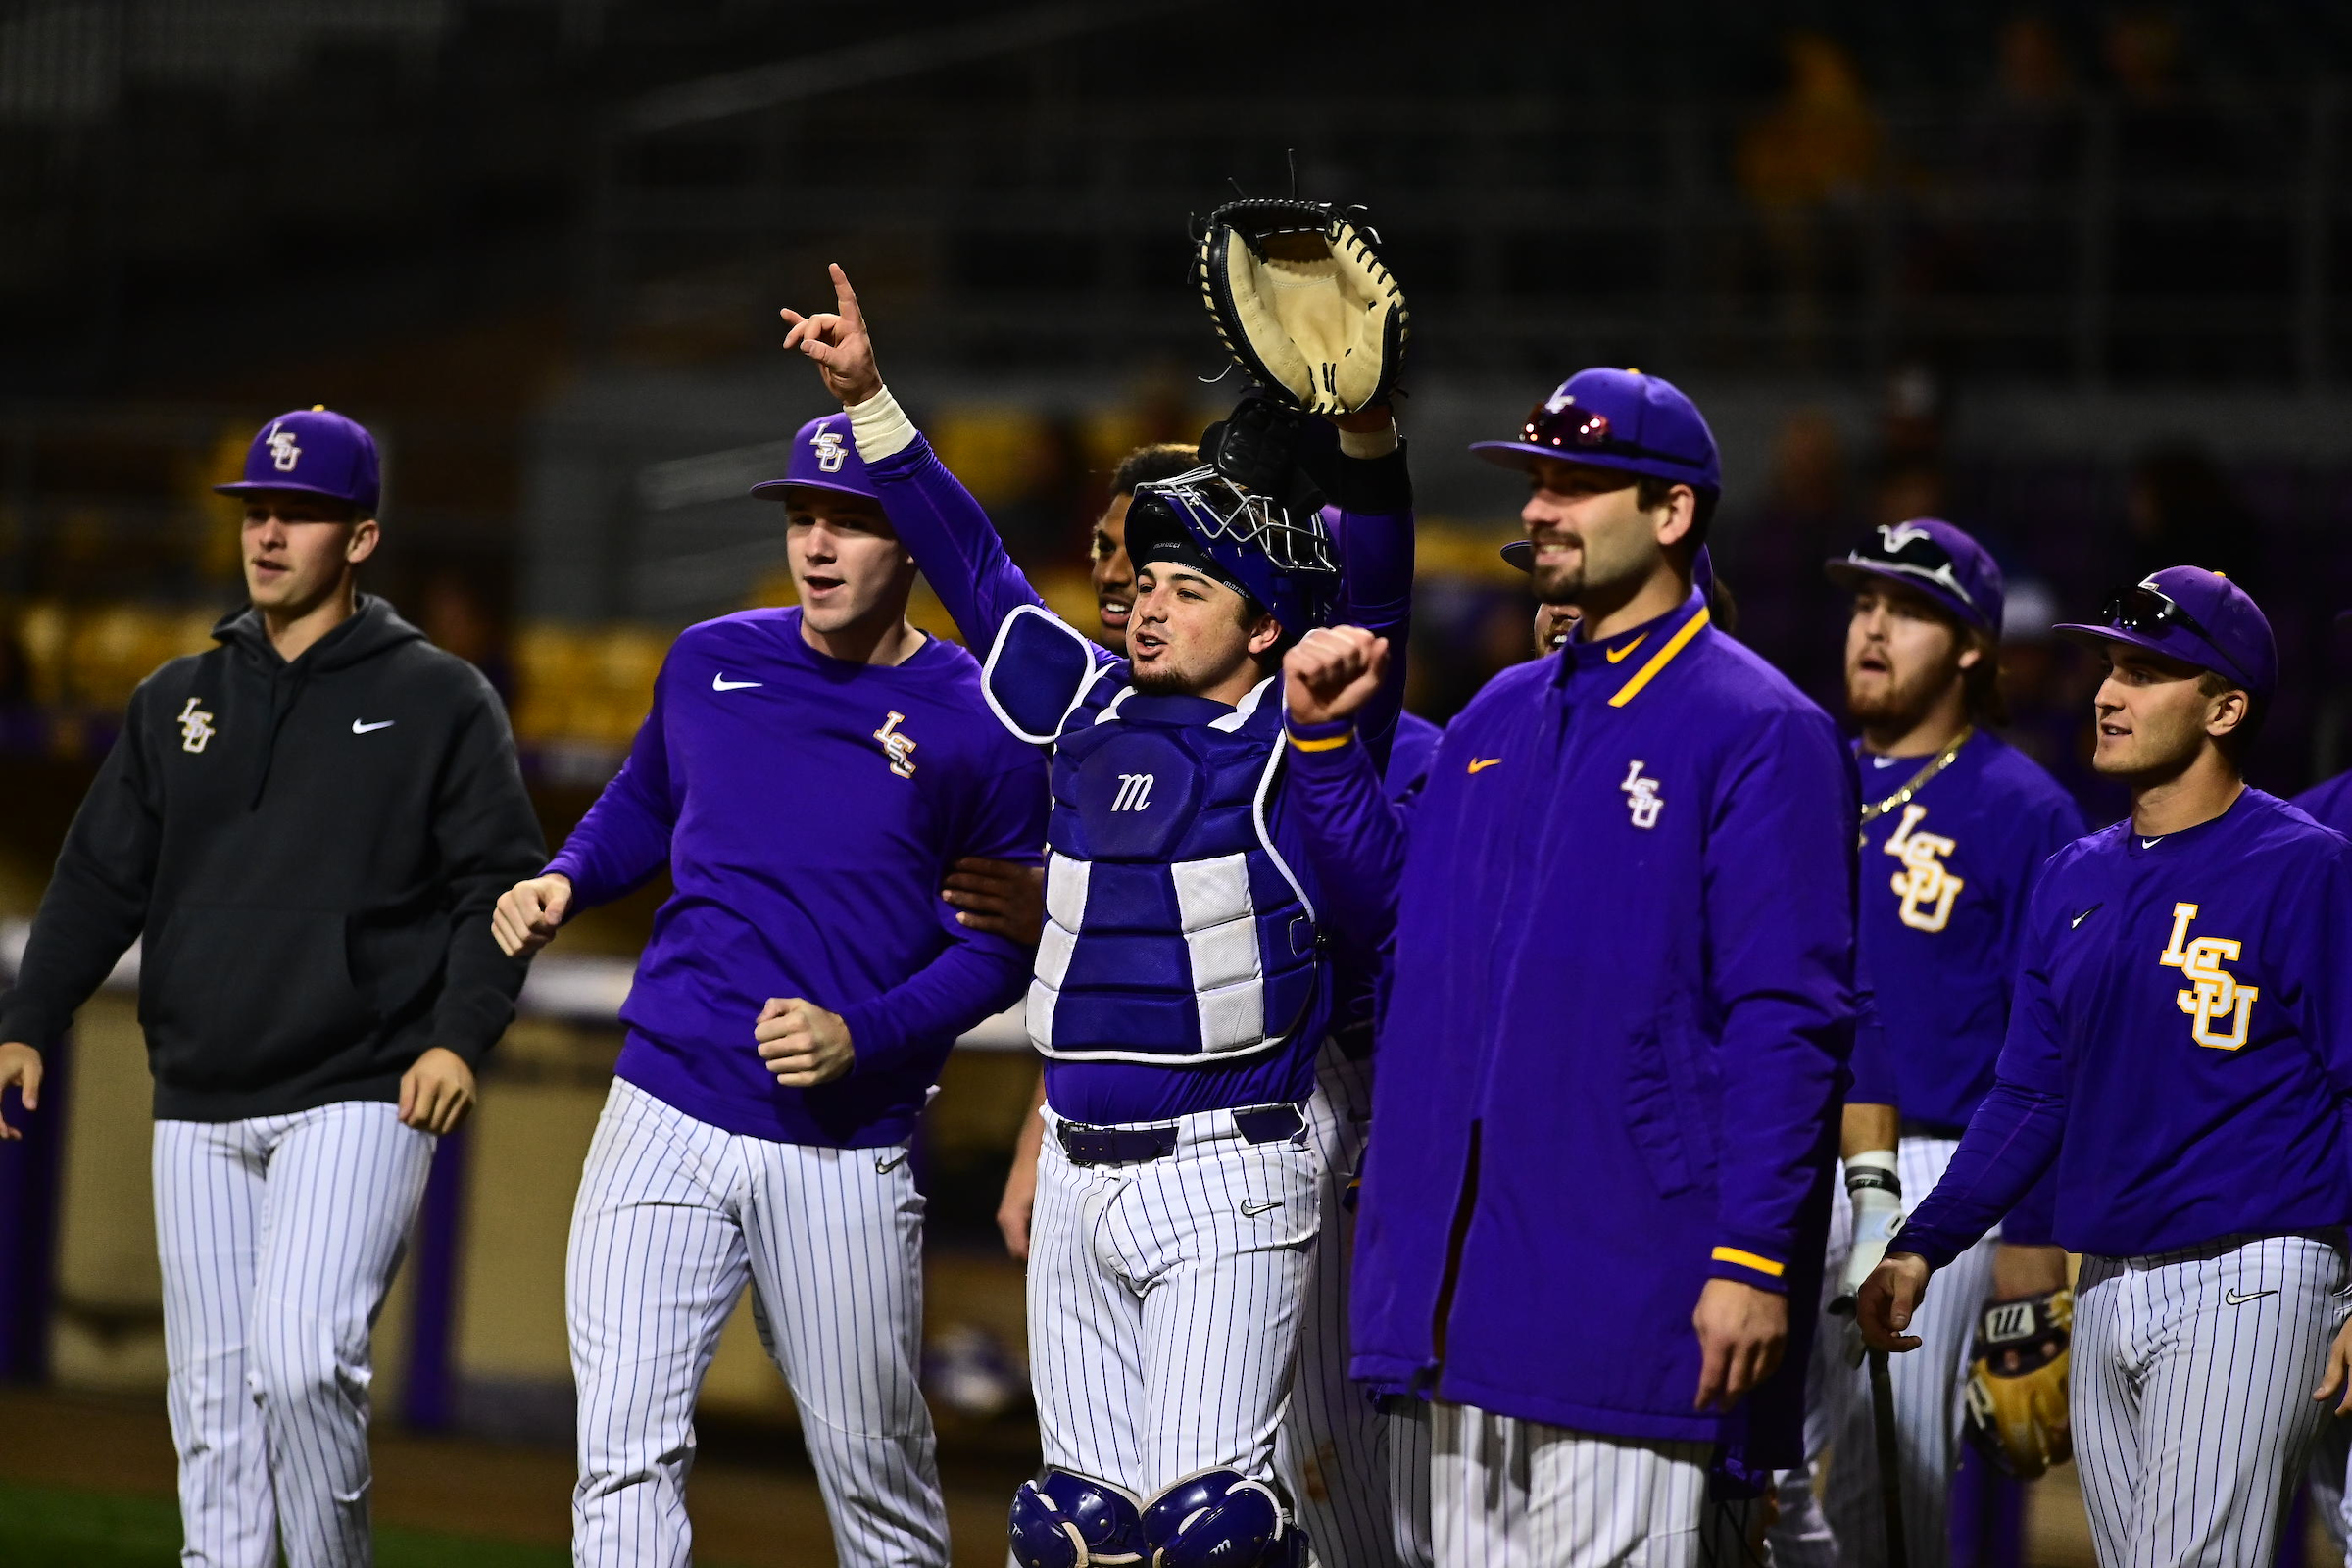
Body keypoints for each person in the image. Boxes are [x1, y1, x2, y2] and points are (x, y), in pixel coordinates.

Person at [780, 264, 1414, 1568]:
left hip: (1232, 1162)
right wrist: (870, 398)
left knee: (1213, 1530)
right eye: (1149, 582)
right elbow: (969, 556)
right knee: (1072, 1528)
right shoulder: (1085, 704)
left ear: (1262, 623)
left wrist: (1368, 439)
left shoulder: (1296, 740)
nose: (1149, 602)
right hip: (1077, 1164)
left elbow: (1378, 593)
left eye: (1188, 587)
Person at [1283, 369, 1857, 1566]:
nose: (1542, 508)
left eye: (1578, 485)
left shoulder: (1759, 726)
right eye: (1537, 481)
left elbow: (1786, 1017)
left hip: (1628, 1279)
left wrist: (1752, 1257)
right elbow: (1402, 926)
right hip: (1464, 1284)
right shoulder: (1498, 713)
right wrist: (1327, 751)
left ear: (1673, 514)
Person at [490, 412, 1048, 1568]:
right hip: (662, 1104)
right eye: (804, 516)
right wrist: (565, 878)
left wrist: (865, 1034)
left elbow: (998, 949)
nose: (819, 545)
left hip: (842, 1141)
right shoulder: (708, 657)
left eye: (852, 520)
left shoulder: (982, 719)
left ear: (910, 545)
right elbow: (647, 797)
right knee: (623, 1450)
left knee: (876, 1482)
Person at [0, 407, 543, 1568]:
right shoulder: (174, 698)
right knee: (212, 1414)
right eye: (255, 509)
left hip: (363, 1084)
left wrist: (459, 1037)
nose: (268, 530)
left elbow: (498, 889)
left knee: (301, 1363)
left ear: (361, 537)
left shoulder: (441, 698)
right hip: (197, 1091)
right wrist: (31, 1015)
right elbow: (99, 878)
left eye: (297, 512)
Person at [1859, 566, 2352, 1567]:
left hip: (2254, 1271)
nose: (2108, 691)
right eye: (2109, 665)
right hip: (2112, 1276)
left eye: (2147, 670)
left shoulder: (2306, 866)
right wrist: (1922, 1245)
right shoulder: (2073, 875)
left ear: (2225, 706)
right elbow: (2032, 1093)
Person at [1768, 519, 2082, 1568]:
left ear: (1971, 647)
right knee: (1752, 1469)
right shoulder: (1805, 770)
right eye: (1864, 603)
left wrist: (2031, 1231)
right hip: (1787, 1149)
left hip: (1935, 1171)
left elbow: (2055, 1040)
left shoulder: (2025, 809)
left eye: (1907, 609)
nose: (1873, 627)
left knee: (1879, 1487)